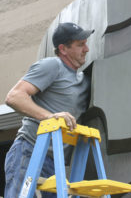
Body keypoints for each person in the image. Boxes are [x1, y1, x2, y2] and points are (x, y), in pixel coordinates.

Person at [4, 22, 94, 198]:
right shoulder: (52, 66)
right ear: (63, 49)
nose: (87, 49)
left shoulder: (82, 79)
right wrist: (50, 117)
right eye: (80, 44)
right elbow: (14, 97)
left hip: (55, 162)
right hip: (29, 151)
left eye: (86, 43)